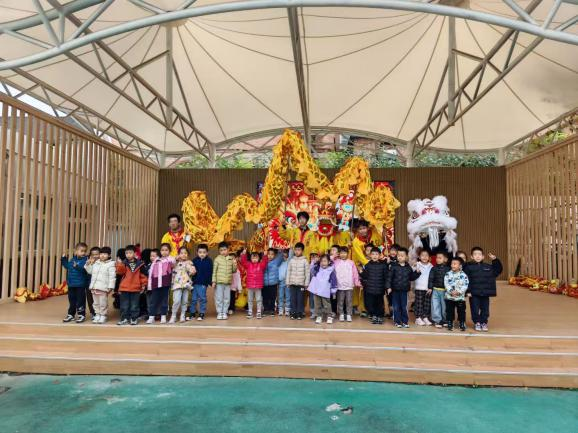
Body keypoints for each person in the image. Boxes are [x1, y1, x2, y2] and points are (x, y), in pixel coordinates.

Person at [463, 247, 503, 332]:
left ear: (483, 256)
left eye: (479, 254)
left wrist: (495, 260)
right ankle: (477, 322)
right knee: (474, 309)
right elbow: (465, 280)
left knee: (485, 309)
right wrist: (468, 291)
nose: (477, 256)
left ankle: (484, 322)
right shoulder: (468, 268)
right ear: (471, 257)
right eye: (475, 254)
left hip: (485, 293)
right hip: (473, 293)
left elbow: (498, 270)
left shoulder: (488, 267)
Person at [351, 220, 383, 317]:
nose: (362, 231)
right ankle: (356, 306)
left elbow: (379, 242)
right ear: (357, 230)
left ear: (367, 228)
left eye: (364, 228)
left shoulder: (373, 234)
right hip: (360, 265)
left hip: (372, 265)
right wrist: (369, 264)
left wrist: (381, 233)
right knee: (358, 286)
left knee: (368, 287)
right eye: (360, 229)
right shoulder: (356, 241)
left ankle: (366, 308)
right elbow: (360, 256)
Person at [386, 247, 420, 328]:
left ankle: (405, 321)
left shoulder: (408, 267)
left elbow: (411, 277)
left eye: (402, 255)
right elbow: (389, 277)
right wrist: (388, 287)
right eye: (398, 255)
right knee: (396, 307)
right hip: (395, 290)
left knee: (404, 307)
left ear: (406, 257)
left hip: (404, 291)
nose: (400, 257)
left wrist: (417, 273)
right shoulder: (393, 266)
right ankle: (397, 321)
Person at [116, 245, 147, 325]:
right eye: (126, 253)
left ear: (135, 253)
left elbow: (143, 276)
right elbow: (120, 272)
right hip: (124, 288)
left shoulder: (140, 264)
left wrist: (143, 284)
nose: (128, 255)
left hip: (136, 288)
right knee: (124, 305)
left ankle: (134, 318)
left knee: (134, 305)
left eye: (130, 253)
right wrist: (119, 264)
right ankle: (124, 319)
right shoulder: (124, 263)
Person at [85, 246, 116, 324]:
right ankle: (97, 314)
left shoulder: (111, 264)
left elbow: (112, 277)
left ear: (109, 255)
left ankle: (103, 315)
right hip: (94, 287)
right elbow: (90, 272)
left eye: (105, 254)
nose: (102, 255)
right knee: (95, 303)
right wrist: (88, 264)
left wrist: (111, 286)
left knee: (103, 303)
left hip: (103, 287)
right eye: (101, 254)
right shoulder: (96, 263)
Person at [146, 244, 175, 324]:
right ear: (160, 251)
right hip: (155, 283)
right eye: (162, 250)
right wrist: (150, 284)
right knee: (153, 300)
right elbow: (151, 273)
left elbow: (173, 262)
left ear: (169, 251)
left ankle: (163, 316)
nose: (164, 252)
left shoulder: (170, 260)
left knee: (164, 300)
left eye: (166, 250)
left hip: (165, 283)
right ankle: (151, 316)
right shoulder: (156, 260)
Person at [61, 242, 89, 323]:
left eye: (85, 251)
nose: (83, 253)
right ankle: (71, 314)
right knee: (72, 300)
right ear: (76, 251)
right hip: (71, 284)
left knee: (80, 300)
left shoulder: (85, 260)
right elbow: (67, 266)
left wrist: (77, 266)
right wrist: (63, 259)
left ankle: (81, 315)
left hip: (80, 285)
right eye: (81, 251)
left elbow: (85, 270)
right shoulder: (72, 260)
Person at [360, 247, 389, 325]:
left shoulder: (383, 265)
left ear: (380, 255)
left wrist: (387, 287)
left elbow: (386, 277)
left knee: (380, 304)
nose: (375, 256)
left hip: (380, 289)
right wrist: (361, 272)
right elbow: (365, 276)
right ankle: (374, 315)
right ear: (370, 255)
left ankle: (380, 316)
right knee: (370, 304)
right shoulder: (367, 265)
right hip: (370, 289)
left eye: (376, 254)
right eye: (373, 254)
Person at [308, 254, 337, 324]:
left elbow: (334, 281)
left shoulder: (331, 271)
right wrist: (313, 262)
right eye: (321, 261)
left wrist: (333, 291)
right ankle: (319, 316)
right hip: (317, 291)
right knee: (317, 304)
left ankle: (329, 316)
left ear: (329, 262)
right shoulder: (317, 269)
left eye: (325, 261)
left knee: (327, 305)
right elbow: (311, 269)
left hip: (325, 291)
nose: (323, 263)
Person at [238, 249, 268, 319]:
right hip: (250, 286)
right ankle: (250, 311)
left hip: (258, 286)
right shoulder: (248, 265)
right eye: (253, 258)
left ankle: (259, 312)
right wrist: (244, 254)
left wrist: (265, 255)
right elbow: (243, 262)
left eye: (256, 258)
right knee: (250, 299)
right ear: (250, 258)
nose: (254, 259)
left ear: (259, 258)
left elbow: (265, 262)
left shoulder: (261, 265)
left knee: (259, 299)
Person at [169, 247, 196, 324]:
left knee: (185, 301)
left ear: (188, 255)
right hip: (177, 284)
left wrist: (191, 268)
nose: (183, 254)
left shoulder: (189, 263)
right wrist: (175, 259)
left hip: (186, 285)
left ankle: (182, 315)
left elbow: (192, 272)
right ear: (178, 254)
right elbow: (170, 265)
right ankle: (173, 315)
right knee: (176, 301)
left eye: (185, 253)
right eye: (181, 253)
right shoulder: (175, 262)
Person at [212, 241, 237, 320]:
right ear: (219, 251)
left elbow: (234, 271)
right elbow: (214, 271)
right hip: (219, 282)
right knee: (219, 298)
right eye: (221, 250)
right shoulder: (217, 259)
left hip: (228, 283)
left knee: (227, 298)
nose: (223, 252)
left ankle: (224, 312)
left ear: (228, 250)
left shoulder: (231, 259)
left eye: (225, 250)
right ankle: (219, 312)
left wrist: (234, 264)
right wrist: (214, 281)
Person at [334, 246, 360, 322]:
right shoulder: (336, 262)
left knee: (349, 301)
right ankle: (341, 314)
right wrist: (334, 255)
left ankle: (349, 314)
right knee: (340, 301)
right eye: (341, 253)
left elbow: (355, 273)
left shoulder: (351, 262)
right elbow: (330, 261)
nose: (343, 254)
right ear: (339, 254)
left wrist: (356, 282)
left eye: (345, 253)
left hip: (349, 286)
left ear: (348, 253)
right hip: (340, 286)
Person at [285, 242, 310, 320]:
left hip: (301, 284)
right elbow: (288, 271)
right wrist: (287, 282)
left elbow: (307, 273)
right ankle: (293, 312)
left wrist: (306, 284)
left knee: (300, 299)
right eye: (295, 250)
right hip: (292, 283)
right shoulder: (291, 260)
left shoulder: (305, 261)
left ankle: (300, 312)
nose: (297, 251)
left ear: (302, 251)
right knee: (293, 299)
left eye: (299, 250)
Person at [444, 257, 469, 331]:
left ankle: (462, 322)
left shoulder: (464, 275)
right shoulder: (448, 274)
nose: (452, 265)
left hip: (460, 298)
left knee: (461, 311)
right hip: (449, 297)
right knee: (449, 311)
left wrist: (459, 292)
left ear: (460, 265)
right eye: (452, 263)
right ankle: (450, 322)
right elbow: (446, 283)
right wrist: (451, 291)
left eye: (455, 264)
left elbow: (465, 285)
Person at [189, 244, 212, 321]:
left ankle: (202, 312)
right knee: (193, 299)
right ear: (197, 252)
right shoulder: (194, 261)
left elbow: (210, 272)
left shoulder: (209, 261)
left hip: (203, 283)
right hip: (194, 283)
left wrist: (210, 282)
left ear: (207, 253)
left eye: (204, 252)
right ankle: (192, 312)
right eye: (200, 252)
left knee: (202, 298)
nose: (202, 254)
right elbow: (191, 271)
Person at [428, 251, 451, 328]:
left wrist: (450, 289)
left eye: (440, 258)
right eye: (437, 258)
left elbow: (450, 280)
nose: (437, 259)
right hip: (435, 290)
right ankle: (437, 320)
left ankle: (445, 320)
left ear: (445, 259)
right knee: (435, 306)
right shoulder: (433, 268)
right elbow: (431, 279)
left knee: (445, 306)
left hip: (445, 291)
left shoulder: (449, 269)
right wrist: (430, 287)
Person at [413, 249, 433, 326]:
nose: (424, 257)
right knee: (419, 304)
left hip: (427, 288)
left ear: (429, 257)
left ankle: (425, 317)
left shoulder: (431, 266)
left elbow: (432, 278)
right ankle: (418, 318)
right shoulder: (417, 264)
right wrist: (414, 268)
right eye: (422, 255)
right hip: (419, 288)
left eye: (426, 255)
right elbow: (412, 274)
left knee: (427, 304)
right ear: (419, 257)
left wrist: (431, 287)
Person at [263, 248, 284, 317]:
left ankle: (272, 309)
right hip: (264, 283)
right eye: (268, 254)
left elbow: (280, 256)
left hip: (273, 284)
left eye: (272, 254)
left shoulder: (276, 261)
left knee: (272, 297)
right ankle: (266, 309)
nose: (270, 256)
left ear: (275, 255)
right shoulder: (263, 261)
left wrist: (280, 249)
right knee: (265, 297)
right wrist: (264, 256)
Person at [86, 246, 100, 318]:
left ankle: (100, 313)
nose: (95, 256)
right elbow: (89, 272)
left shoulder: (102, 263)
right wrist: (90, 264)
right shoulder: (88, 262)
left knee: (99, 299)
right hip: (90, 284)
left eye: (97, 254)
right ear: (90, 255)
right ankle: (93, 312)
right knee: (90, 299)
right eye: (93, 254)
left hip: (99, 284)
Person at [277, 249, 292, 316]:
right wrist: (280, 250)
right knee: (280, 296)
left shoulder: (289, 261)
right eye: (283, 255)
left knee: (288, 296)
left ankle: (287, 309)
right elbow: (279, 255)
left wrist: (291, 248)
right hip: (281, 282)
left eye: (286, 255)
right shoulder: (279, 262)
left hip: (287, 282)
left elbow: (291, 254)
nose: (284, 256)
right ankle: (280, 308)